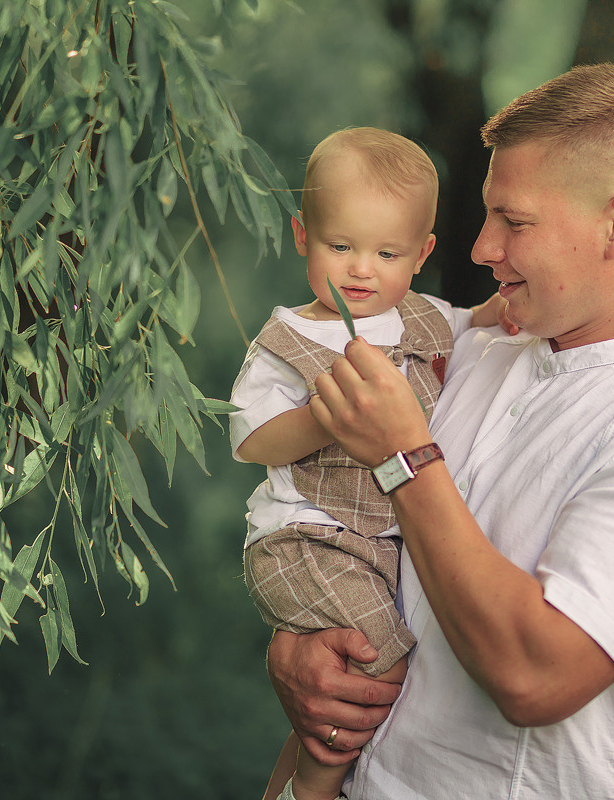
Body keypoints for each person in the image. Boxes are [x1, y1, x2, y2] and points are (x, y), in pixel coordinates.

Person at [266, 64, 614, 799]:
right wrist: (295, 650)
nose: (480, 248)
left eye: (515, 220)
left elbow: (534, 678)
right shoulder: (470, 355)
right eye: (487, 215)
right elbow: (346, 543)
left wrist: (403, 459)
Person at [229, 127, 508, 800]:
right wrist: (321, 416)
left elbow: (476, 326)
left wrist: (504, 310)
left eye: (386, 253)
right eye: (340, 246)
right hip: (307, 539)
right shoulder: (288, 339)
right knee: (375, 665)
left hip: (377, 544)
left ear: (422, 254)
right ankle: (312, 789)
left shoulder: (424, 319)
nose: (361, 269)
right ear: (303, 236)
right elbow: (252, 440)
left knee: (378, 654)